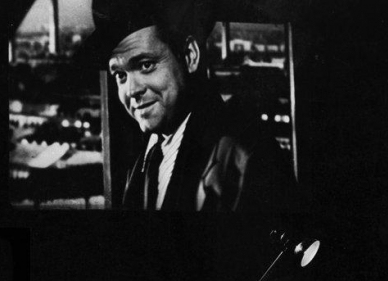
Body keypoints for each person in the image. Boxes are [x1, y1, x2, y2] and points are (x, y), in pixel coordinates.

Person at [89, 0, 297, 211]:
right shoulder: (145, 155)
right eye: (120, 75)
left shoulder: (246, 156)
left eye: (146, 65)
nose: (132, 90)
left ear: (190, 56)